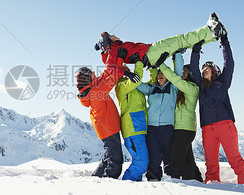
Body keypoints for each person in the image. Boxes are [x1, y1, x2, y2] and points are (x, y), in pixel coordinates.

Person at [189, 15, 244, 184]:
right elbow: (194, 68)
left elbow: (229, 63)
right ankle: (212, 185)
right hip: (207, 129)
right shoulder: (200, 85)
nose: (204, 70)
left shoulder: (222, 82)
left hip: (226, 125)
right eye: (203, 69)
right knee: (211, 163)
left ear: (214, 71)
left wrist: (224, 42)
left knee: (234, 159)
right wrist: (196, 50)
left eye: (207, 68)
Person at [77, 44, 137, 179]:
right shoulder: (96, 91)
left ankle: (96, 178)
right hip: (108, 128)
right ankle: (109, 180)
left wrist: (116, 57)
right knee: (115, 160)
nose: (94, 72)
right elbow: (112, 76)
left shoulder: (93, 87)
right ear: (88, 79)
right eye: (91, 73)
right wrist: (120, 58)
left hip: (106, 128)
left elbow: (107, 73)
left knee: (108, 157)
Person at [95, 12, 226, 69]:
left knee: (183, 44)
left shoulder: (117, 48)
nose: (114, 35)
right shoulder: (113, 50)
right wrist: (127, 74)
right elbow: (111, 69)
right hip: (150, 53)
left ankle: (214, 36)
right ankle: (211, 29)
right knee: (180, 39)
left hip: (150, 55)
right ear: (108, 42)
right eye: (111, 36)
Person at [136, 52, 183, 181]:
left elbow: (178, 73)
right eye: (159, 73)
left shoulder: (173, 88)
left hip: (167, 127)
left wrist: (177, 54)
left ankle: (173, 177)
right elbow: (138, 85)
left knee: (169, 155)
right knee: (154, 155)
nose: (160, 75)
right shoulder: (152, 89)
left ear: (168, 77)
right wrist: (131, 75)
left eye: (163, 73)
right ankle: (153, 178)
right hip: (152, 128)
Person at [157, 61, 203, 182]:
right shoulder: (180, 90)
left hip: (185, 129)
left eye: (185, 71)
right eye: (181, 70)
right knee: (188, 159)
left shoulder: (193, 88)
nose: (182, 73)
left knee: (175, 159)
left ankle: (190, 179)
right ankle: (197, 179)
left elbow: (175, 79)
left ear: (190, 74)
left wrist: (160, 64)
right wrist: (175, 58)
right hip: (180, 128)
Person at [114, 61, 149, 181]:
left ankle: (136, 189)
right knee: (142, 163)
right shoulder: (121, 86)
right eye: (123, 70)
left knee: (140, 162)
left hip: (140, 128)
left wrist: (153, 69)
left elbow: (149, 86)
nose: (127, 70)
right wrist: (139, 63)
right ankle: (126, 183)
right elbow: (136, 80)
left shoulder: (134, 86)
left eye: (127, 68)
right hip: (132, 130)